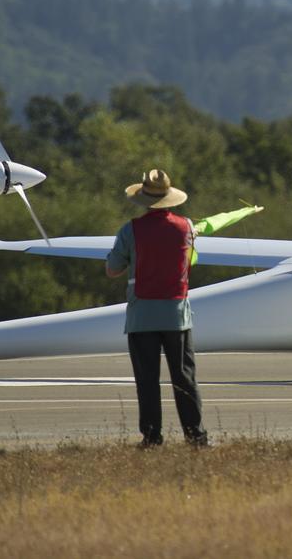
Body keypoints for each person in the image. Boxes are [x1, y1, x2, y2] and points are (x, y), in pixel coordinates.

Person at [106, 168, 209, 448]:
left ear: (142, 199)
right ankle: (196, 436)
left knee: (147, 380)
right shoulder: (186, 227)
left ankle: (152, 438)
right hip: (177, 314)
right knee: (185, 378)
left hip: (142, 316)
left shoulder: (130, 230)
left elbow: (113, 269)